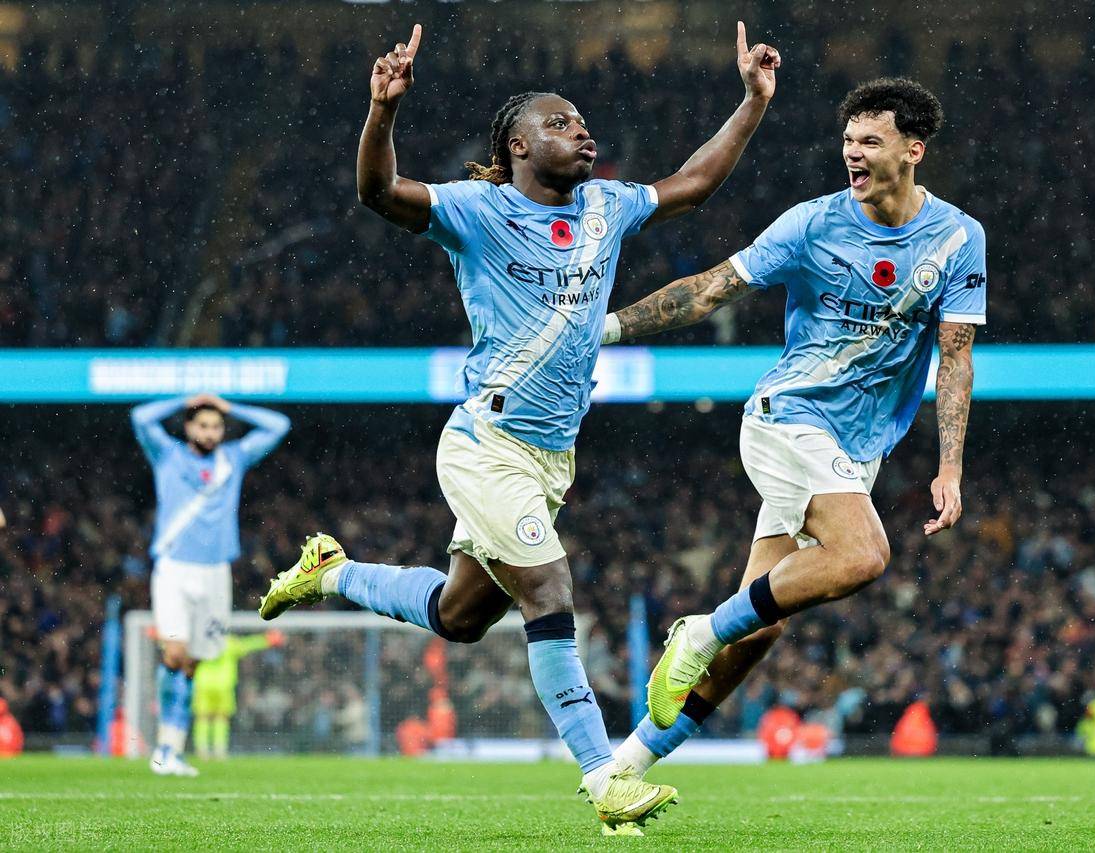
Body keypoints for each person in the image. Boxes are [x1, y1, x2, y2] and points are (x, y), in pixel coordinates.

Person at [258, 20, 781, 832]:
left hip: (550, 456)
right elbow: (378, 193)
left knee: (460, 616)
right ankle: (605, 777)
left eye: (583, 122)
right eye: (561, 123)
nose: (583, 132)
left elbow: (695, 183)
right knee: (549, 588)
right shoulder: (477, 210)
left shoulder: (607, 206)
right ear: (519, 145)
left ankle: (331, 572)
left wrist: (751, 101)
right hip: (486, 445)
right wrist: (382, 111)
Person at [600, 78, 987, 777]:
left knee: (761, 626)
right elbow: (711, 288)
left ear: (913, 151)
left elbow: (955, 357)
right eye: (848, 141)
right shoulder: (812, 224)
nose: (853, 153)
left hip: (855, 449)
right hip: (790, 417)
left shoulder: (959, 238)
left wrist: (951, 464)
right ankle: (701, 630)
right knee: (863, 555)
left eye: (870, 141)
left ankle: (622, 769)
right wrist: (606, 328)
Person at [132, 393, 291, 776]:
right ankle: (162, 748)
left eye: (217, 426)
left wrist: (230, 407)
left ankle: (171, 750)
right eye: (202, 425)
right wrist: (183, 400)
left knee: (192, 664)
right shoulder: (168, 455)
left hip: (215, 572)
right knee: (174, 653)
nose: (210, 432)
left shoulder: (233, 458)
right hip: (174, 568)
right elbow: (140, 417)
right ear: (189, 427)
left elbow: (279, 425)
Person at [192, 630, 285, 759]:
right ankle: (219, 749)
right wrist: (267, 640)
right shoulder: (228, 642)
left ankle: (202, 748)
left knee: (202, 717)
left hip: (203, 683)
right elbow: (247, 644)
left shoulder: (201, 642)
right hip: (223, 684)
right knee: (221, 718)